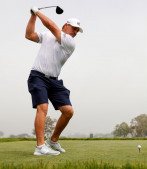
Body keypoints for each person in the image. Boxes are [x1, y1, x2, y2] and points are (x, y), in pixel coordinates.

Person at [25, 6, 83, 155]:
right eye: (74, 28)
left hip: (54, 81)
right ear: (66, 25)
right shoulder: (47, 35)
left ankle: (53, 140)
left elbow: (51, 26)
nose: (76, 32)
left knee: (68, 111)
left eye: (78, 30)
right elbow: (29, 35)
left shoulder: (69, 42)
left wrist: (37, 12)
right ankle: (40, 147)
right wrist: (32, 16)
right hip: (38, 76)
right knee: (42, 108)